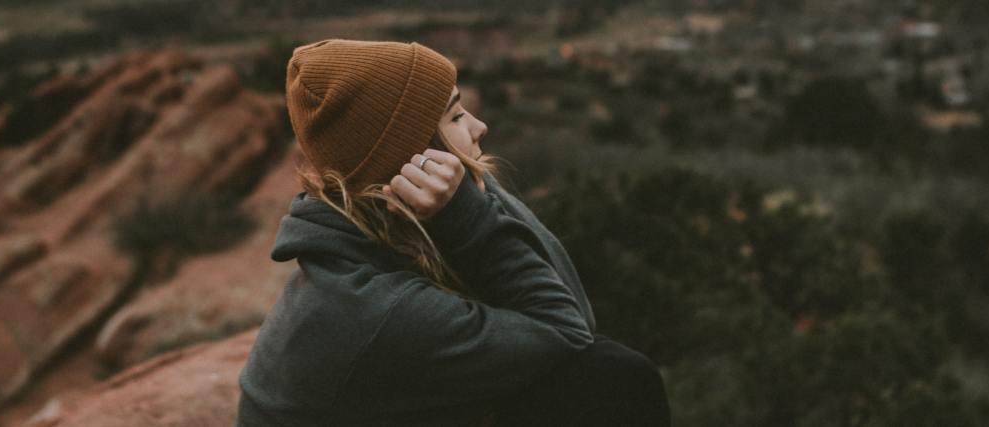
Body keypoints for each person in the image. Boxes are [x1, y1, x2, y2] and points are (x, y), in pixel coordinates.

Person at [236, 39, 670, 426]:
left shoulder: (372, 230)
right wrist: (467, 210)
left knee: (602, 373)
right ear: (413, 160)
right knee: (614, 378)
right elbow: (567, 331)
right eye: (457, 115)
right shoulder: (381, 309)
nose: (479, 127)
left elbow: (575, 313)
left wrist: (469, 191)